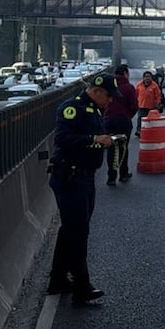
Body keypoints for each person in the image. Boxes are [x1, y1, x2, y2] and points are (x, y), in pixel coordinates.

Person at [46, 74, 118, 303]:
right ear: (96, 91)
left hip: (85, 177)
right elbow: (63, 138)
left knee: (70, 230)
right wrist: (95, 138)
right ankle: (81, 286)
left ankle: (58, 279)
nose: (110, 101)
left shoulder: (95, 110)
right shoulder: (72, 108)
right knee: (78, 233)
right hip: (71, 177)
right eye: (108, 95)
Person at [103, 64, 138, 186]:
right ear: (125, 73)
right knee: (123, 147)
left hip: (108, 120)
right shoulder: (128, 88)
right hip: (123, 120)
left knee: (111, 148)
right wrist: (128, 116)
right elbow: (134, 106)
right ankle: (123, 174)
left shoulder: (108, 86)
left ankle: (111, 177)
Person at [134, 71, 162, 136]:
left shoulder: (154, 86)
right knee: (140, 118)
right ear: (143, 78)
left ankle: (150, 131)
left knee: (150, 120)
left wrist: (158, 103)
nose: (147, 78)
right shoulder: (139, 85)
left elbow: (158, 96)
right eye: (146, 77)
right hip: (141, 105)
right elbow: (136, 94)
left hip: (151, 107)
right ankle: (139, 130)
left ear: (151, 78)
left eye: (149, 77)